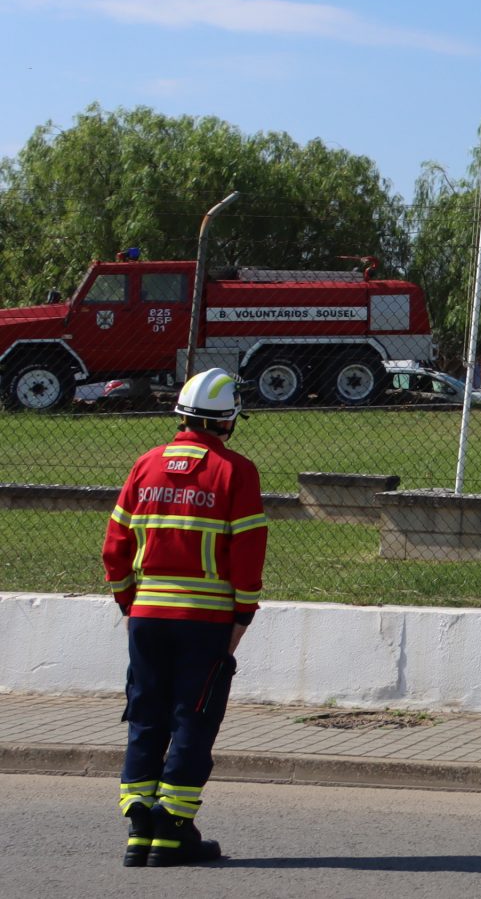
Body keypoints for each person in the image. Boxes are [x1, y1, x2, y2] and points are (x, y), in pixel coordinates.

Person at [101, 368, 264, 867]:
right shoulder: (235, 471)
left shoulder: (145, 465)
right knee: (193, 717)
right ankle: (173, 831)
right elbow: (247, 554)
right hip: (205, 621)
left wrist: (130, 604)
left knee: (145, 714)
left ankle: (139, 829)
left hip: (147, 616)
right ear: (227, 419)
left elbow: (114, 547)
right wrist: (242, 616)